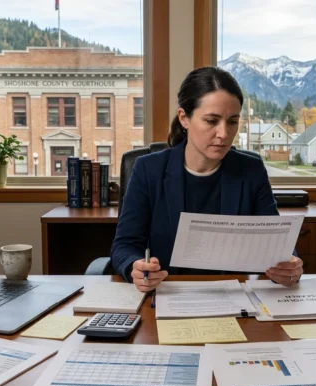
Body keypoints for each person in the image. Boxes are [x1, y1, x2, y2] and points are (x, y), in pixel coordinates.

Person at [111, 66, 304, 292]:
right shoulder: (148, 169)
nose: (223, 134)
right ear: (184, 118)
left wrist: (289, 265)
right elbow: (124, 246)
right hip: (167, 293)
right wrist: (135, 267)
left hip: (234, 297)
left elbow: (275, 244)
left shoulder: (250, 170)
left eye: (232, 122)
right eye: (212, 121)